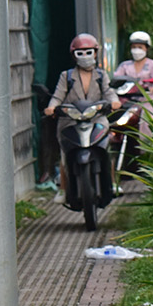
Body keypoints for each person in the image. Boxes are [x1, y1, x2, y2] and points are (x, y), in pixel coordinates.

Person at [44, 34, 124, 210]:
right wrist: (52, 107)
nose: (85, 56)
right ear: (74, 55)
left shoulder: (101, 75)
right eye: (81, 53)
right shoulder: (67, 76)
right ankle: (64, 189)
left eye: (89, 52)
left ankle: (111, 181)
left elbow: (108, 92)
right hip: (70, 120)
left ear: (95, 53)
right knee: (65, 154)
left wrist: (114, 101)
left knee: (106, 147)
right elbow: (58, 96)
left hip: (96, 118)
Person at [113, 30, 153, 95]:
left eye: (140, 47)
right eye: (134, 47)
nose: (136, 50)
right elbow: (116, 80)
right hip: (126, 101)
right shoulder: (124, 65)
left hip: (148, 101)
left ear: (147, 48)